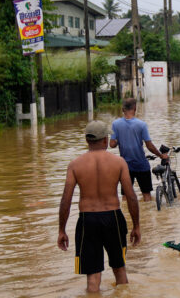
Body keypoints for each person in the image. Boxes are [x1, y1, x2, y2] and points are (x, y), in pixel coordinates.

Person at [58, 120, 141, 294]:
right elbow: (131, 197)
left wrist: (62, 230)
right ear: (105, 140)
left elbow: (66, 200)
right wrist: (136, 226)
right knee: (120, 270)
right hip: (113, 219)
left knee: (93, 277)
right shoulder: (119, 163)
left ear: (87, 140)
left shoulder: (75, 165)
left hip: (87, 220)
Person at [109, 98, 168, 202]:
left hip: (125, 166)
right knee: (146, 194)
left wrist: (121, 137)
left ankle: (126, 216)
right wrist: (161, 155)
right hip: (141, 165)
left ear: (123, 109)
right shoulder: (141, 124)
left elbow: (112, 144)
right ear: (135, 108)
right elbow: (149, 146)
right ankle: (148, 216)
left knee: (125, 195)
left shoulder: (116, 124)